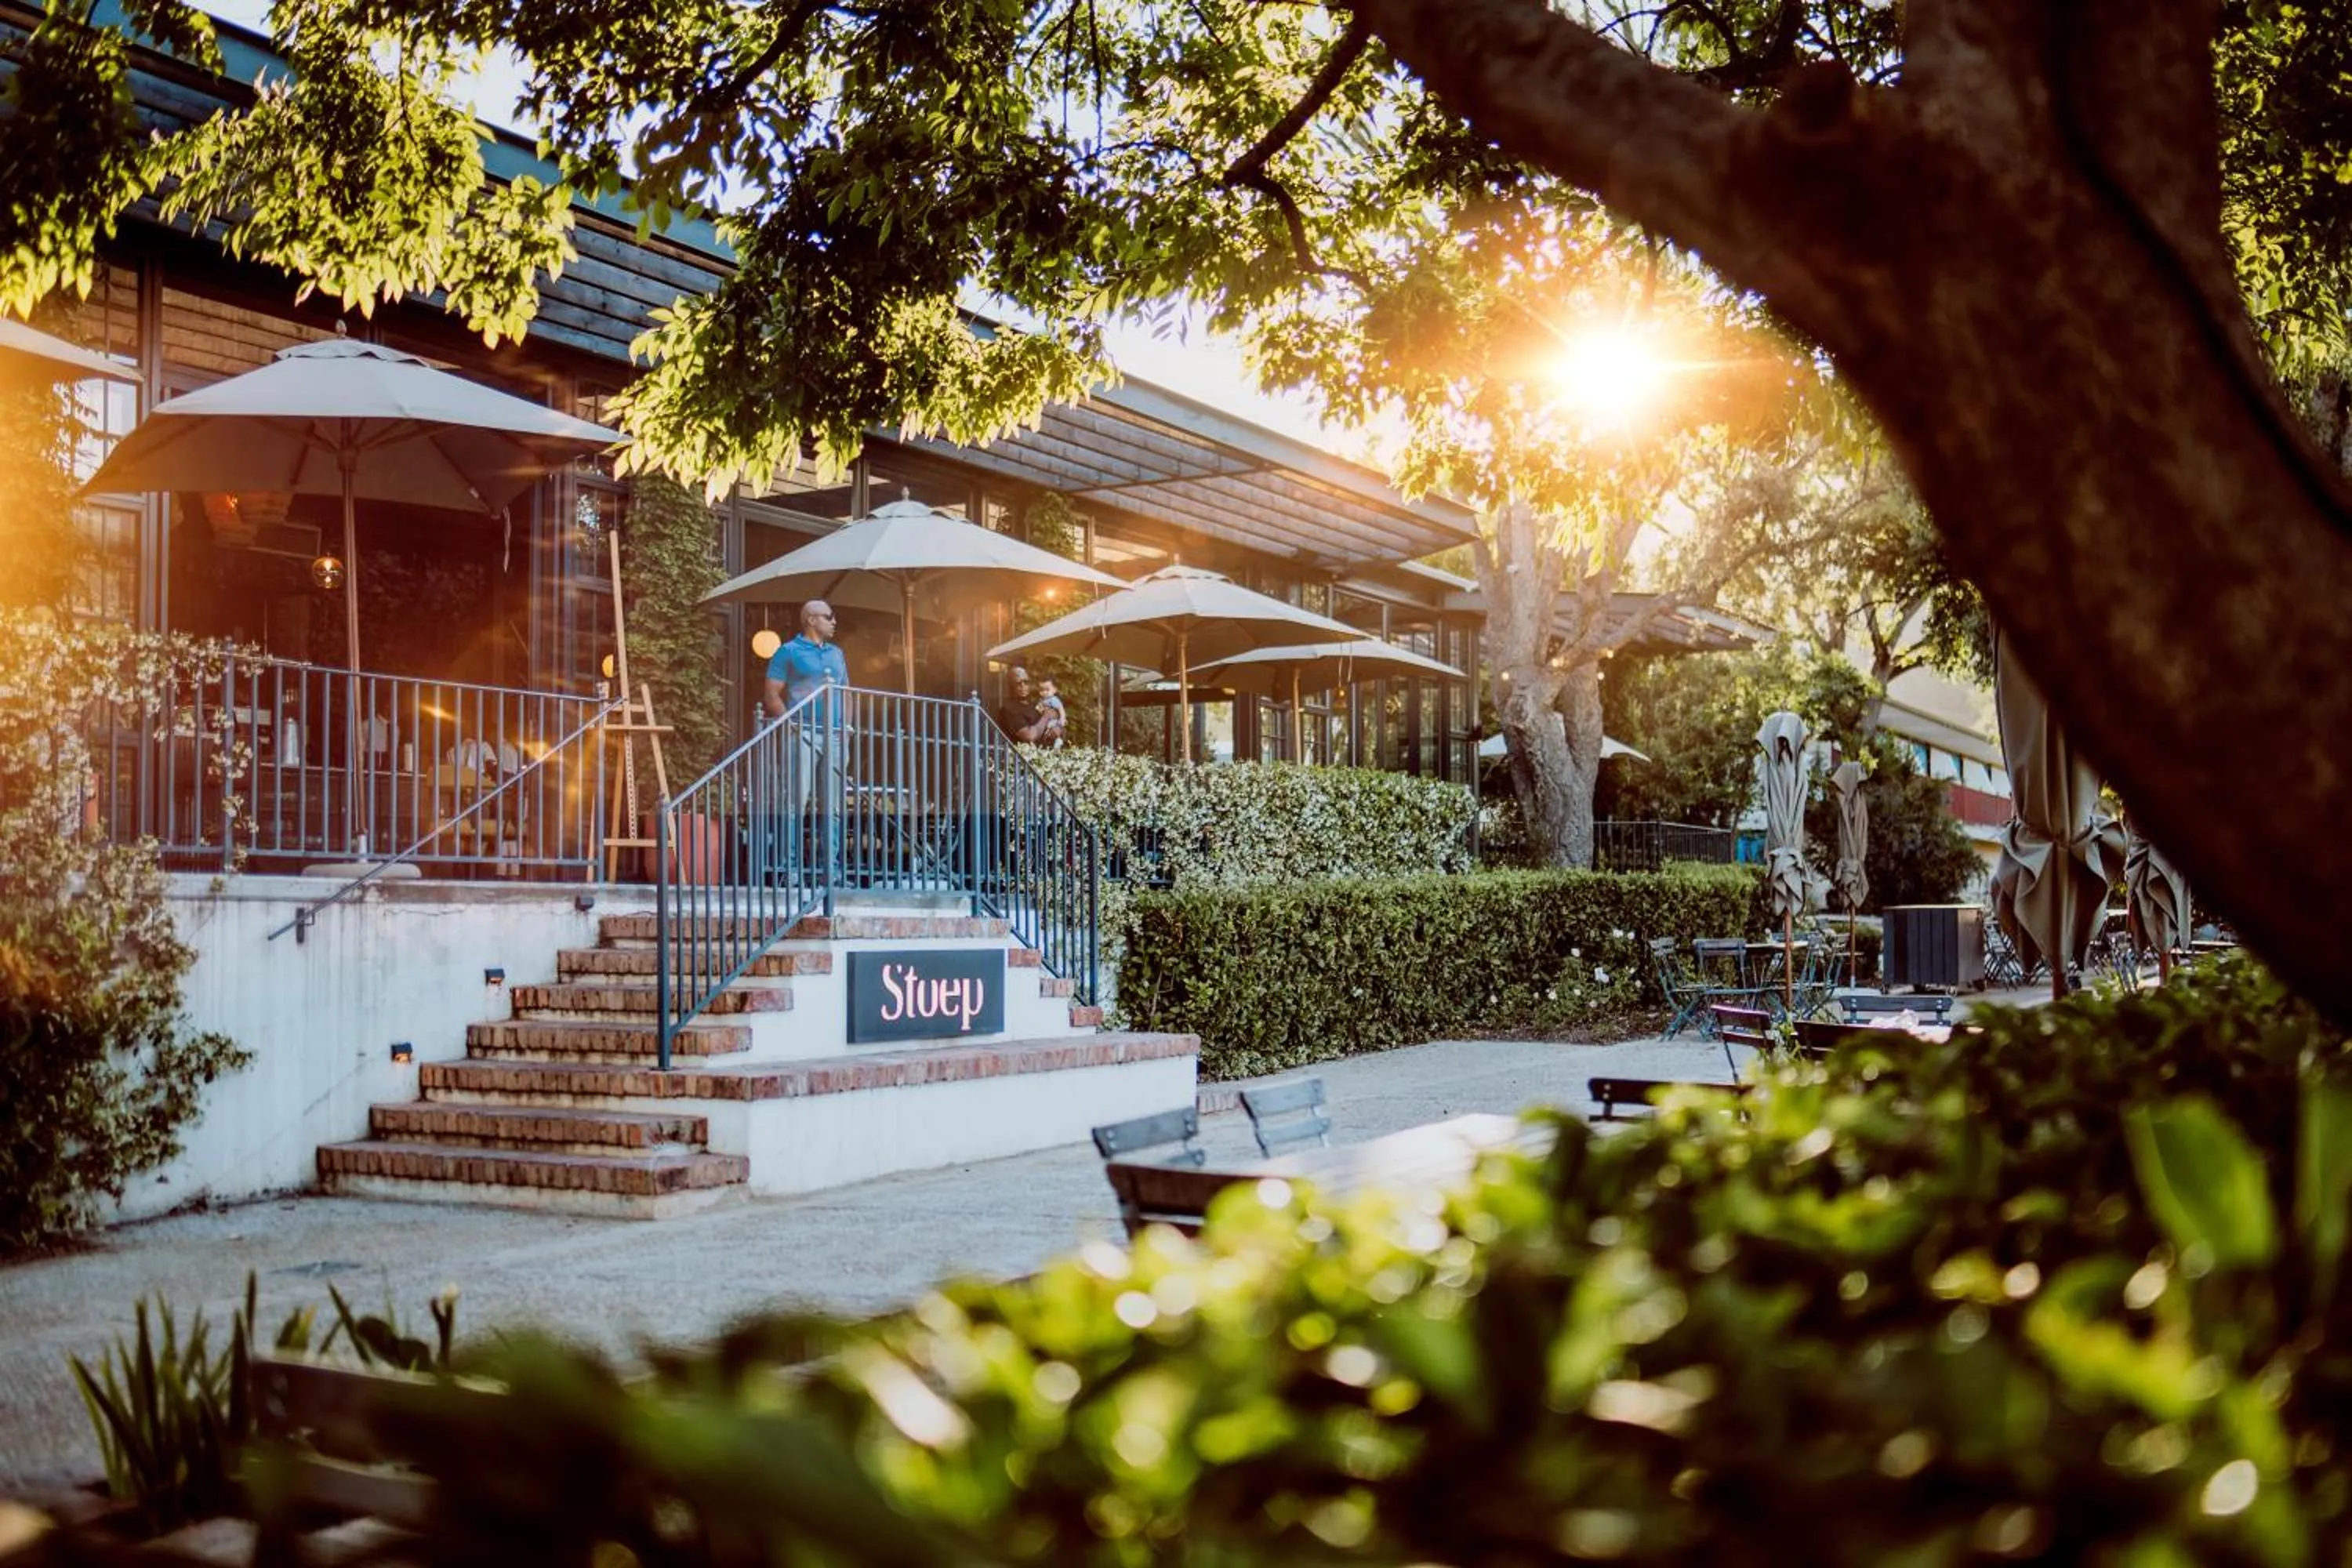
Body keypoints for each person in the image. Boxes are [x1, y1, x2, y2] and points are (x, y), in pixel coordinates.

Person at [759, 601, 850, 883]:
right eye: (829, 617)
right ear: (812, 620)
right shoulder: (788, 651)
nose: (834, 622)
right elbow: (772, 693)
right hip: (803, 733)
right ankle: (792, 868)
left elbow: (846, 691)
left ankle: (831, 871)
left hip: (835, 736)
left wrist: (847, 727)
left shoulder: (837, 653)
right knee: (796, 801)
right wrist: (791, 724)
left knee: (833, 805)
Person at [994, 666, 1050, 745]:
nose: (1023, 686)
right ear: (1011, 686)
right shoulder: (1009, 709)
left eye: (1026, 682)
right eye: (1018, 683)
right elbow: (1029, 736)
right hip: (1018, 756)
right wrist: (1046, 717)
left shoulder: (1035, 705)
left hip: (1042, 753)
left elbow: (1054, 727)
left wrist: (1057, 729)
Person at [1034, 677, 1068, 746]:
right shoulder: (1041, 700)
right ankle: (1050, 743)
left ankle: (1058, 741)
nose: (1044, 692)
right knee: (1047, 733)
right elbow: (1039, 710)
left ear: (1054, 690)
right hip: (1046, 721)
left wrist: (1062, 718)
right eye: (1042, 690)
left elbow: (1060, 709)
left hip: (1054, 721)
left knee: (1055, 731)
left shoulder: (1053, 699)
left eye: (1047, 690)